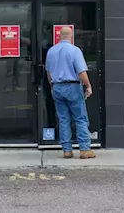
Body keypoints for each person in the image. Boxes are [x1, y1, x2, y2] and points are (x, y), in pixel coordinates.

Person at [45, 26, 95, 159]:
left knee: (63, 119)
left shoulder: (51, 51)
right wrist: (88, 86)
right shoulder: (75, 50)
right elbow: (81, 72)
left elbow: (48, 73)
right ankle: (84, 149)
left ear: (59, 36)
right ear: (71, 36)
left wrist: (53, 86)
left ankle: (67, 150)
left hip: (57, 87)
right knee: (80, 118)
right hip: (72, 87)